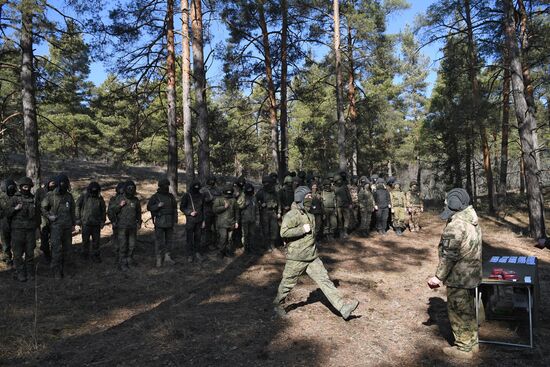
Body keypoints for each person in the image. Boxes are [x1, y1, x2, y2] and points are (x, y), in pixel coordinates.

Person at [273, 186, 359, 320]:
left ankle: (343, 308)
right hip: (297, 257)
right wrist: (301, 229)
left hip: (312, 257)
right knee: (287, 283)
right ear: (300, 199)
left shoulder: (310, 214)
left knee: (325, 281)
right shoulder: (292, 215)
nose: (310, 200)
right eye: (307, 198)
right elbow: (283, 232)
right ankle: (278, 305)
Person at [427, 188, 482, 359]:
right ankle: (472, 344)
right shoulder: (472, 219)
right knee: (468, 311)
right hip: (471, 275)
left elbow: (449, 256)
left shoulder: (456, 226)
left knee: (458, 312)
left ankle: (463, 348)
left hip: (459, 277)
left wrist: (438, 277)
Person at [41, 174, 76, 279]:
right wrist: (49, 216)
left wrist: (73, 224)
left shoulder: (69, 196)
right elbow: (43, 208)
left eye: (65, 183)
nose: (63, 185)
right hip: (56, 227)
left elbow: (72, 211)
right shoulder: (50, 196)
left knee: (68, 249)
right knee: (56, 249)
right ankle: (56, 271)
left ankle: (66, 270)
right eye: (62, 183)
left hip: (67, 227)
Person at [6, 177, 38, 282]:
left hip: (30, 230)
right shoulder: (14, 199)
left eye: (28, 186)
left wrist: (37, 228)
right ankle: (20, 273)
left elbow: (37, 214)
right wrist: (15, 209)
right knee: (18, 254)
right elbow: (6, 213)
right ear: (20, 187)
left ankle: (30, 273)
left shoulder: (33, 199)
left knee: (30, 253)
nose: (26, 188)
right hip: (17, 231)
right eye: (24, 186)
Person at [109, 180, 141, 271]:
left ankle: (129, 259)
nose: (130, 189)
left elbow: (138, 212)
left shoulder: (135, 200)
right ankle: (122, 263)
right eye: (129, 188)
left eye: (132, 188)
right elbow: (112, 210)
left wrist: (139, 222)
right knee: (122, 245)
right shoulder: (119, 198)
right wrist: (119, 205)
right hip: (121, 226)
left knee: (132, 245)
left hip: (132, 226)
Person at [148, 178, 178, 267]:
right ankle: (159, 258)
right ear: (161, 186)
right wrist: (157, 205)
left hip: (169, 221)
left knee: (169, 240)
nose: (167, 187)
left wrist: (175, 219)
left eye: (167, 186)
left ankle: (167, 257)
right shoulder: (155, 196)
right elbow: (149, 207)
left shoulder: (171, 196)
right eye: (165, 185)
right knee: (159, 241)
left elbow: (174, 208)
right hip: (160, 222)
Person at [76, 182, 106, 262]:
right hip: (86, 223)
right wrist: (78, 218)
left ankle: (95, 255)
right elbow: (77, 206)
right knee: (85, 240)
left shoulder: (100, 198)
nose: (94, 193)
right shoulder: (84, 197)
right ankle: (84, 255)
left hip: (96, 224)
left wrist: (103, 220)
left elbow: (103, 210)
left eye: (95, 191)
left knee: (96, 241)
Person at [179, 180, 204, 263]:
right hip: (190, 220)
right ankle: (189, 255)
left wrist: (203, 221)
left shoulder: (201, 196)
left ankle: (197, 253)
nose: (197, 188)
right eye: (195, 187)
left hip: (199, 220)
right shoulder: (187, 195)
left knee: (198, 237)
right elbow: (182, 207)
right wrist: (189, 212)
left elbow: (203, 208)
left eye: (198, 187)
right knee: (189, 238)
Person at [213, 184, 240, 258]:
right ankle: (221, 252)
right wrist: (224, 207)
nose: (228, 194)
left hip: (231, 223)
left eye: (230, 192)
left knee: (230, 239)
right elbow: (215, 210)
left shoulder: (233, 200)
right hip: (222, 223)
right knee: (223, 238)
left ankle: (228, 251)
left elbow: (237, 212)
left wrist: (237, 221)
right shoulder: (219, 199)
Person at [35, 177, 56, 262]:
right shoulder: (40, 191)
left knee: (54, 237)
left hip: (53, 216)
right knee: (44, 237)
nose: (53, 185)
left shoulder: (56, 191)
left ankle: (53, 255)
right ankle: (46, 254)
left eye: (54, 183)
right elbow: (36, 204)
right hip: (43, 217)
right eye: (51, 183)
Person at [256, 175, 280, 252]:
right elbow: (255, 201)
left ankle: (272, 244)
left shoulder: (274, 192)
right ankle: (267, 245)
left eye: (268, 183)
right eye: (265, 183)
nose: (267, 184)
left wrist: (279, 212)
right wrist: (261, 205)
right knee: (265, 229)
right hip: (264, 212)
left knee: (274, 229)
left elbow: (278, 202)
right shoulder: (261, 192)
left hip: (273, 212)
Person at [200, 176, 220, 251]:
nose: (212, 182)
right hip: (206, 212)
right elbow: (199, 201)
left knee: (215, 229)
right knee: (206, 229)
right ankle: (206, 244)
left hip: (216, 212)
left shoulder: (217, 190)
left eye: (213, 181)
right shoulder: (203, 190)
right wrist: (208, 200)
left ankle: (214, 243)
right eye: (210, 181)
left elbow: (221, 197)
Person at [239, 182, 259, 254]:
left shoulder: (254, 198)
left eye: (251, 190)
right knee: (245, 234)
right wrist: (245, 204)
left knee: (252, 234)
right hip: (244, 219)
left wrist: (257, 220)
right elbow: (238, 206)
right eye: (248, 190)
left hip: (252, 219)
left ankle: (251, 247)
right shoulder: (242, 197)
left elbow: (256, 209)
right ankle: (245, 248)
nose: (249, 192)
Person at [107, 182, 125, 261]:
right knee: (117, 238)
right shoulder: (113, 199)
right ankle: (116, 254)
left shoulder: (128, 198)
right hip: (117, 222)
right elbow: (110, 211)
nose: (122, 190)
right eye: (120, 188)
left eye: (123, 188)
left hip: (126, 223)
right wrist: (113, 221)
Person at [0, 179, 17, 267]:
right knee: (6, 242)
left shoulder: (17, 197)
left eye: (12, 187)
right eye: (9, 187)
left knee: (16, 242)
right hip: (4, 223)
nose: (11, 188)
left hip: (15, 223)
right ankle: (7, 258)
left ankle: (16, 258)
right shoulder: (1, 198)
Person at [334, 175, 353, 239]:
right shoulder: (334, 188)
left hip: (346, 205)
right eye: (338, 180)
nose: (339, 181)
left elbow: (349, 195)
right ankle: (341, 232)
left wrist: (350, 203)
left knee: (347, 219)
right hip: (338, 206)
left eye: (340, 180)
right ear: (336, 181)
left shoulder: (345, 186)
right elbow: (333, 198)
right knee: (340, 219)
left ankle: (345, 231)